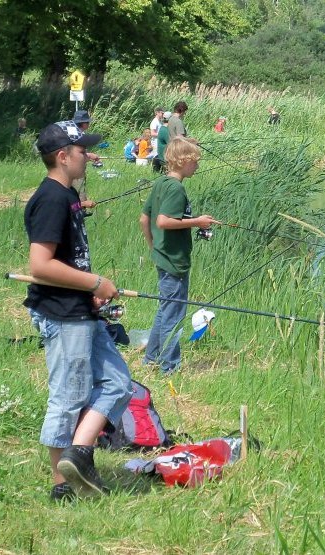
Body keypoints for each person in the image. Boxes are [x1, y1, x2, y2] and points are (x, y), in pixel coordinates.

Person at [25, 120, 133, 501]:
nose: (88, 155)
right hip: (61, 314)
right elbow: (40, 265)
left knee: (118, 383)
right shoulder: (51, 198)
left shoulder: (67, 196)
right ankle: (62, 486)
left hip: (80, 308)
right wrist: (93, 283)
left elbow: (69, 261)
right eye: (82, 150)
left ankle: (79, 455)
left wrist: (91, 292)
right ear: (62, 156)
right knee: (68, 397)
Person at [139, 137, 219, 374]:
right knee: (174, 316)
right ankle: (169, 367)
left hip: (164, 256)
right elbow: (163, 221)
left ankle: (151, 358)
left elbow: (145, 219)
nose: (198, 166)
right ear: (184, 161)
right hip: (174, 260)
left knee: (166, 309)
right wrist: (198, 222)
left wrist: (153, 247)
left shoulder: (161, 183)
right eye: (195, 162)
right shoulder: (175, 188)